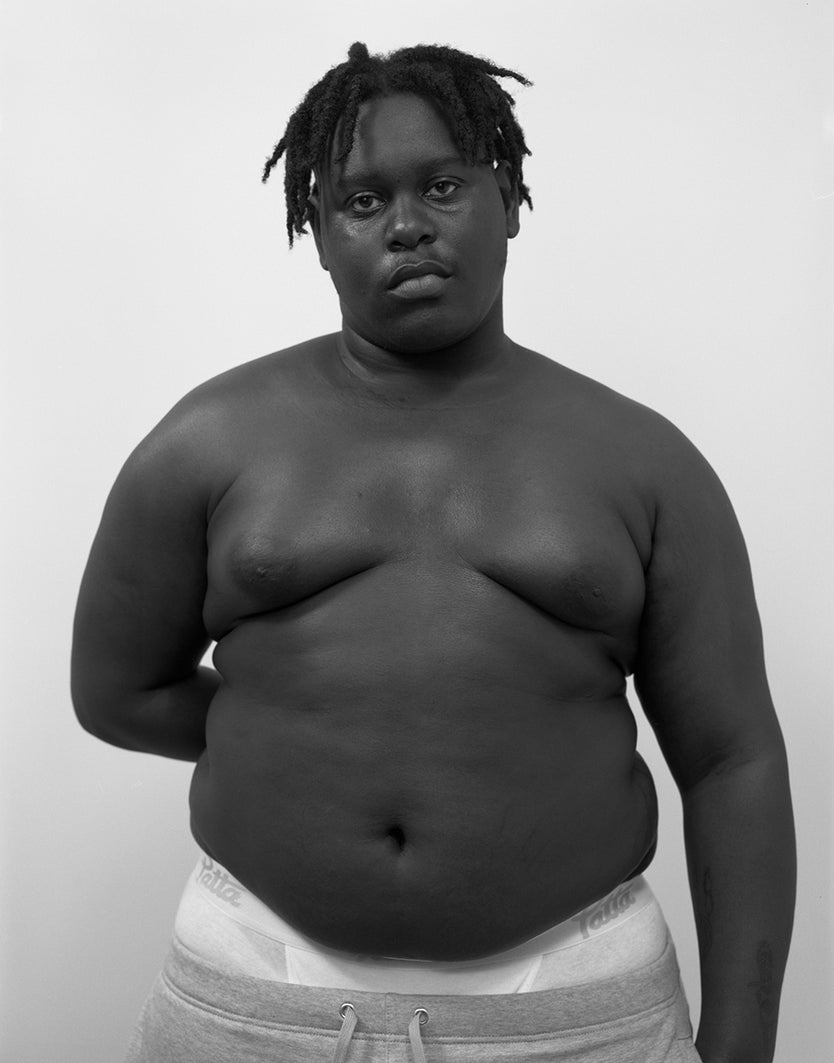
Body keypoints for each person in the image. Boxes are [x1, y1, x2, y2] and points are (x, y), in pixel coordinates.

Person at [71, 41, 795, 1063]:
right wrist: (298, 736)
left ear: (508, 202)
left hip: (578, 1010)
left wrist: (743, 1044)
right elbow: (115, 692)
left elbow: (731, 760)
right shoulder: (207, 442)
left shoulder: (646, 462)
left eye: (443, 187)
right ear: (319, 235)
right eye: (363, 202)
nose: (407, 225)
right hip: (254, 995)